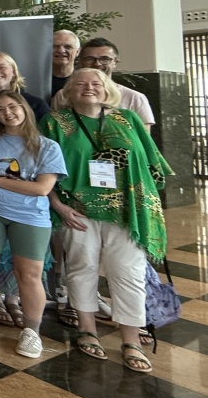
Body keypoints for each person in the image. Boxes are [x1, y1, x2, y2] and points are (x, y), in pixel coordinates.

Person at [41, 69, 171, 374]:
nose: (89, 88)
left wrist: (148, 207)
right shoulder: (55, 122)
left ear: (107, 89)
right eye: (81, 84)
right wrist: (57, 205)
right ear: (69, 91)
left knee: (128, 273)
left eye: (96, 84)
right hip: (77, 210)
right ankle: (87, 329)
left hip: (127, 211)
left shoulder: (127, 119)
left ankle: (131, 340)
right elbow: (40, 168)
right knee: (81, 266)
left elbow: (152, 165)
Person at [0, 91, 67, 359]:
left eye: (13, 107)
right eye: (0, 109)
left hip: (30, 217)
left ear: (25, 109)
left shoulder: (47, 147)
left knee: (28, 274)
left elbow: (42, 188)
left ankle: (32, 331)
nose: (8, 113)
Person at [65, 37, 156, 130]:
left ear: (115, 62)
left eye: (105, 59)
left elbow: (144, 137)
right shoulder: (65, 94)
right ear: (80, 61)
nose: (97, 64)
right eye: (90, 59)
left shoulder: (134, 98)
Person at [51, 29, 81, 97]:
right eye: (55, 46)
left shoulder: (82, 80)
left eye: (68, 47)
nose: (61, 50)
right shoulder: (37, 80)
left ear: (77, 51)